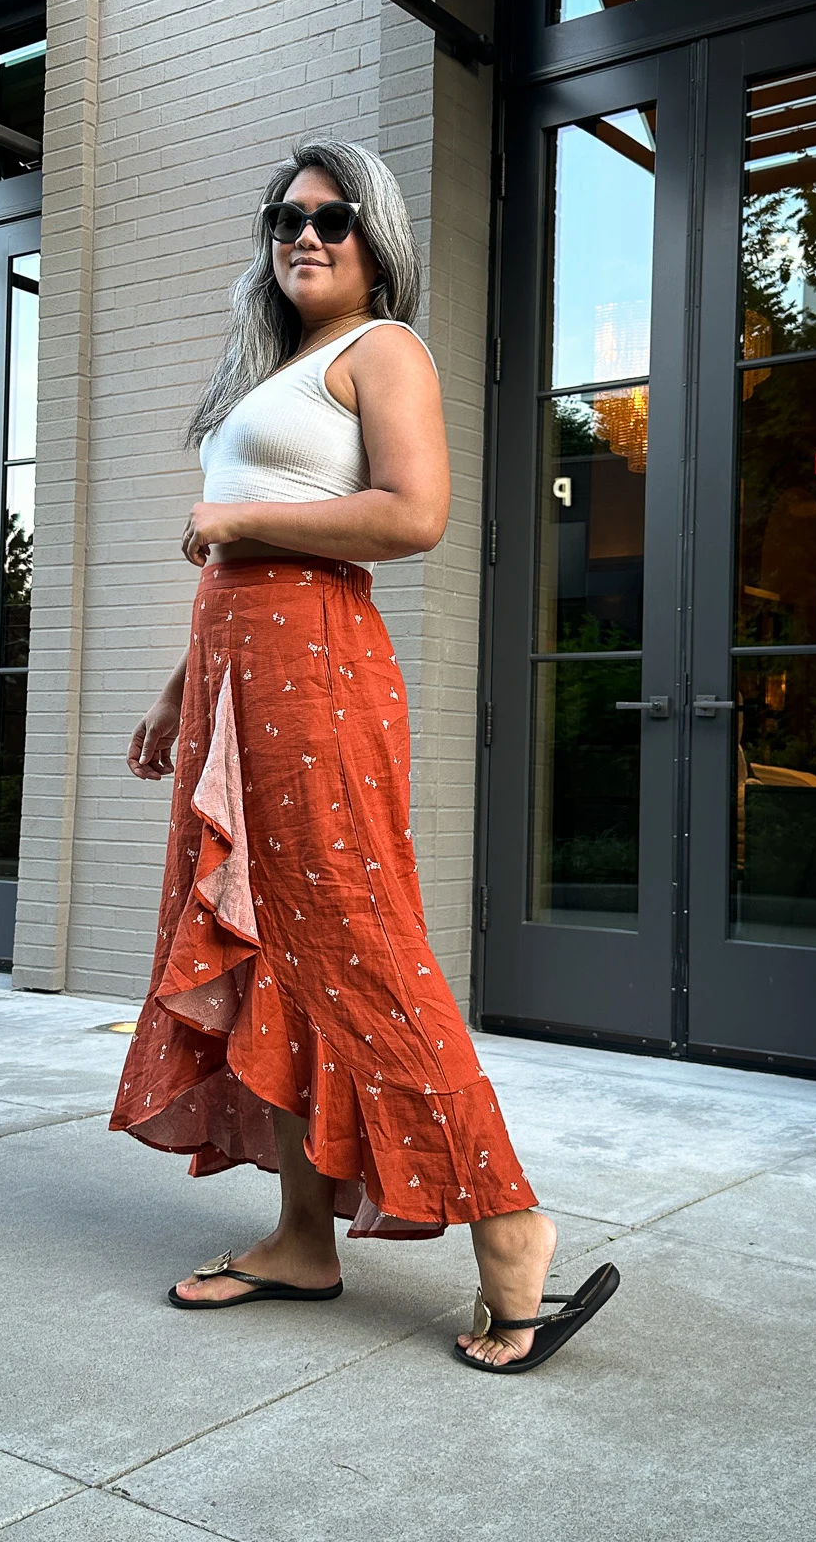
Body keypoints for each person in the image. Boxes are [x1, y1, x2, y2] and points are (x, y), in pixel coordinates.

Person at [109, 139, 618, 1372]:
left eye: (336, 218)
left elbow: (414, 512)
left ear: (377, 239)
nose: (308, 235)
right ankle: (300, 1234)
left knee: (357, 944)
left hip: (319, 675)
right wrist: (183, 692)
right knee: (266, 954)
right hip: (241, 682)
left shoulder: (382, 352)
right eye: (287, 215)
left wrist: (237, 514)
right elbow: (233, 564)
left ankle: (510, 1228)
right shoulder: (274, 370)